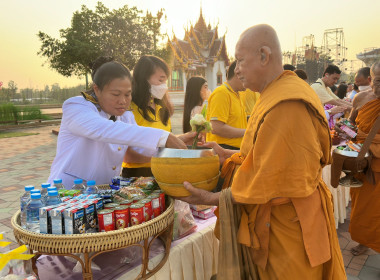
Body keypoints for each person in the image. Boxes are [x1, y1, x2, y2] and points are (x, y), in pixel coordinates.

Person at [179, 24, 346, 279]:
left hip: (288, 225)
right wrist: (226, 155)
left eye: (241, 60)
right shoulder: (272, 94)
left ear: (264, 56)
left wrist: (212, 198)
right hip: (274, 220)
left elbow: (274, 179)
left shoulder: (287, 104)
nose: (237, 70)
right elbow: (263, 153)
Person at [48, 57, 187, 188]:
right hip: (68, 190)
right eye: (116, 94)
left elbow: (141, 147)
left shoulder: (126, 116)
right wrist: (164, 137)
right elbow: (103, 129)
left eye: (128, 94)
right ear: (97, 89)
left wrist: (180, 142)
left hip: (102, 191)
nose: (123, 101)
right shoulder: (77, 106)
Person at [121, 55, 193, 177]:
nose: (164, 85)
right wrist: (160, 156)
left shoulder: (162, 109)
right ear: (144, 79)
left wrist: (183, 138)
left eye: (165, 81)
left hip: (164, 172)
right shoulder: (128, 110)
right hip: (138, 177)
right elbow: (126, 155)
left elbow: (162, 141)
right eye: (160, 80)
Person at [349, 62, 380, 256]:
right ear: (370, 80)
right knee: (363, 208)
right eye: (379, 81)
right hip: (363, 162)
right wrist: (346, 133)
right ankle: (364, 241)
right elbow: (350, 126)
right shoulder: (361, 99)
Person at [206, 61, 247, 150]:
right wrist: (248, 132)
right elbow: (216, 127)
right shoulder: (222, 93)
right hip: (223, 149)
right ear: (238, 73)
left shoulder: (237, 95)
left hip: (236, 149)